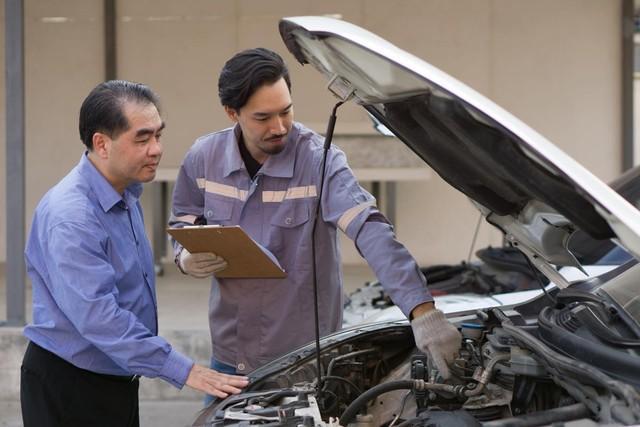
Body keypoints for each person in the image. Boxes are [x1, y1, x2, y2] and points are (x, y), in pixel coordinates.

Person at [170, 48, 461, 380]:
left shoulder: (320, 161)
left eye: (286, 112)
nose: (279, 127)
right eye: (263, 118)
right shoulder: (203, 159)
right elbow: (183, 220)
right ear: (231, 113)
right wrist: (184, 258)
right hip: (230, 355)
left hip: (306, 359)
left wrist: (423, 314)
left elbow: (370, 229)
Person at [20, 80, 248, 427]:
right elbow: (100, 317)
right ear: (102, 143)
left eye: (158, 135)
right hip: (71, 383)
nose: (156, 149)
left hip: (115, 375)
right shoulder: (72, 217)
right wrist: (183, 370)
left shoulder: (125, 193)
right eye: (142, 138)